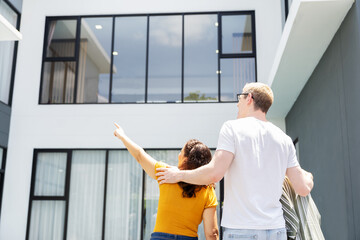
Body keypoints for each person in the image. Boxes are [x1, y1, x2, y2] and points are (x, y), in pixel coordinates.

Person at [156, 82, 314, 240]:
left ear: (249, 98)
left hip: (241, 230)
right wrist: (309, 177)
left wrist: (178, 175)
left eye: (240, 97)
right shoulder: (284, 139)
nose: (238, 103)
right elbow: (302, 188)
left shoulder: (232, 128)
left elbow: (214, 174)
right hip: (276, 230)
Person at [113, 123, 219, 240]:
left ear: (186, 159)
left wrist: (122, 136)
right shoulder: (208, 189)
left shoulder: (166, 174)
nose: (179, 155)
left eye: (181, 152)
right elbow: (212, 233)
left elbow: (139, 154)